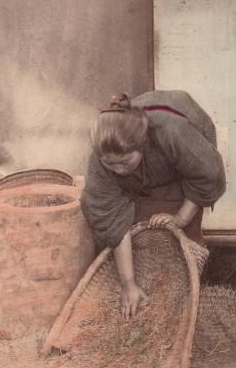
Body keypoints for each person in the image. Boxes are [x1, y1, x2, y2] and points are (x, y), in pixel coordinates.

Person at [81, 90, 226, 321]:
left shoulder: (172, 132)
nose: (118, 170)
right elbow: (112, 221)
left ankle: (187, 291)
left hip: (189, 145)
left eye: (125, 162)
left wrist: (180, 219)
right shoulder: (100, 162)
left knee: (179, 231)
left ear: (142, 145)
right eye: (111, 164)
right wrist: (129, 284)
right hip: (156, 156)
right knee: (141, 222)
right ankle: (142, 286)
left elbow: (205, 176)